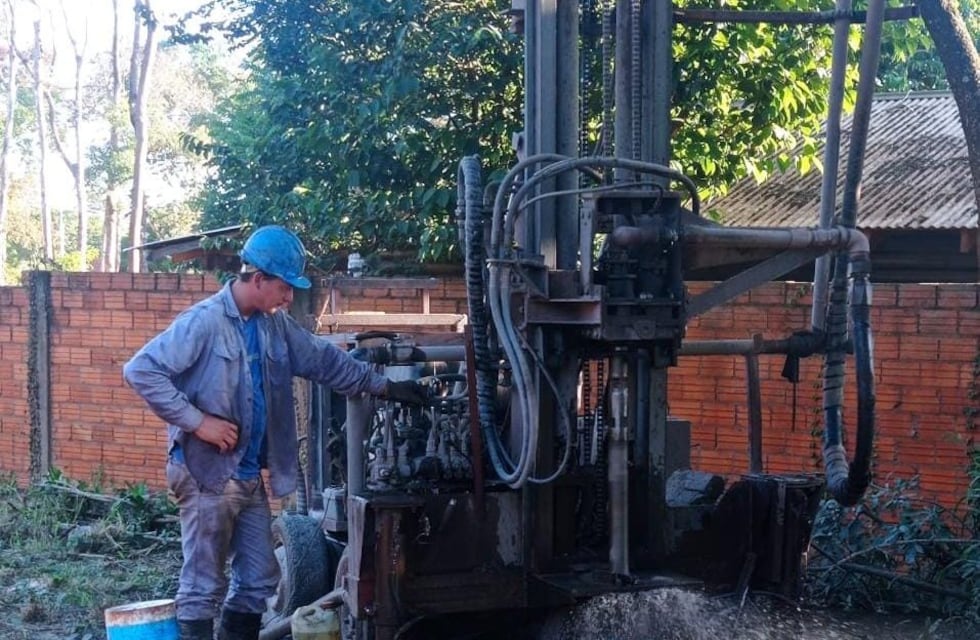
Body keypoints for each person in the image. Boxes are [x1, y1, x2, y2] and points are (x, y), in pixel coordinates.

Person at [123, 225, 427, 640]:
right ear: (258, 278)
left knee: (258, 581)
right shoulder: (204, 322)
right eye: (284, 288)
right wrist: (198, 422)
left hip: (246, 477)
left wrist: (387, 386)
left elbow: (325, 361)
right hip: (205, 472)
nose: (289, 298)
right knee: (202, 586)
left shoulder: (273, 327)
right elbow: (141, 370)